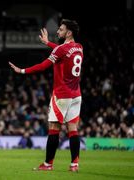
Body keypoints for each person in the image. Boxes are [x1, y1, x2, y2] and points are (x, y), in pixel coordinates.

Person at [9, 19, 83, 172]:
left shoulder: (61, 49)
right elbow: (62, 51)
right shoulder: (79, 47)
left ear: (68, 33)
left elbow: (43, 66)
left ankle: (48, 164)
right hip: (76, 95)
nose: (58, 31)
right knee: (73, 129)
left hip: (61, 95)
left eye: (61, 30)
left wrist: (22, 70)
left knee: (54, 128)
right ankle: (74, 165)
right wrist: (48, 43)